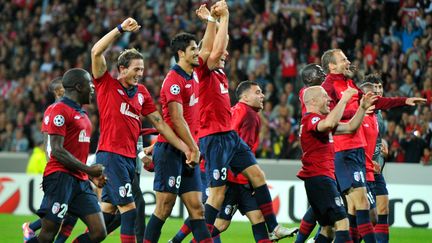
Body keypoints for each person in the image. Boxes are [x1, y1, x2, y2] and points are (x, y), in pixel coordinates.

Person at [194, 2, 296, 241]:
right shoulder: (203, 70)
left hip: (228, 136)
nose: (226, 53)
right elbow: (216, 50)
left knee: (258, 175)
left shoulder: (218, 72)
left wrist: (216, 20)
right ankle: (199, 237)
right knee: (217, 196)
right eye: (220, 51)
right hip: (214, 138)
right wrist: (221, 18)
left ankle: (274, 227)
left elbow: (221, 46)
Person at [90, 17, 192, 243]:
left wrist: (185, 147)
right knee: (130, 210)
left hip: (129, 160)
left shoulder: (141, 92)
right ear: (122, 69)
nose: (140, 73)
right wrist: (119, 29)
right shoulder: (106, 84)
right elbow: (96, 52)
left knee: (106, 219)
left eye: (142, 69)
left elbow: (160, 124)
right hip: (111, 154)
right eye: (136, 69)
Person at [320, 48, 426, 242]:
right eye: (343, 59)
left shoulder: (348, 83)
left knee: (355, 210)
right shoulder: (328, 87)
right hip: (344, 151)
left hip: (357, 152)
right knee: (362, 208)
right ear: (331, 65)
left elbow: (373, 103)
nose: (347, 61)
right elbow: (327, 118)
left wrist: (404, 100)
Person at [144, 31, 212, 243]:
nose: (197, 52)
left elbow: (208, 48)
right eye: (193, 49)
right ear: (181, 53)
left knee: (197, 209)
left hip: (188, 152)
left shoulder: (193, 73)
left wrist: (212, 21)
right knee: (164, 208)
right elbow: (177, 119)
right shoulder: (174, 80)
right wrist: (193, 147)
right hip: (171, 151)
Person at [27, 68, 107, 243]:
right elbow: (56, 150)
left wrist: (89, 176)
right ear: (78, 87)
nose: (93, 88)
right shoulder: (58, 110)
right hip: (60, 178)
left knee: (99, 232)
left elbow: (77, 152)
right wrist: (89, 170)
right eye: (89, 84)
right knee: (48, 234)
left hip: (80, 181)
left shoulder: (83, 114)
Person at [299, 85, 376, 243]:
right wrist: (344, 99)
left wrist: (361, 108)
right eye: (324, 96)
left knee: (328, 229)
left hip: (320, 180)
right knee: (343, 223)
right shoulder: (311, 119)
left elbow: (350, 127)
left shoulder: (320, 123)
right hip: (320, 180)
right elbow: (328, 124)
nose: (329, 100)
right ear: (313, 101)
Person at [23, 77, 78, 243]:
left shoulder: (70, 108)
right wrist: (51, 169)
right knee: (61, 212)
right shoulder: (53, 111)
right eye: (62, 90)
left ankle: (31, 227)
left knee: (69, 211)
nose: (67, 92)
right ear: (57, 92)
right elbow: (49, 145)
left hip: (70, 167)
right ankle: (31, 228)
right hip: (60, 168)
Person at [295, 64, 326, 243]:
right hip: (316, 142)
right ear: (308, 80)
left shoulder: (319, 92)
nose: (323, 74)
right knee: (322, 201)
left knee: (323, 202)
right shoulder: (307, 93)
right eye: (319, 72)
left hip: (323, 143)